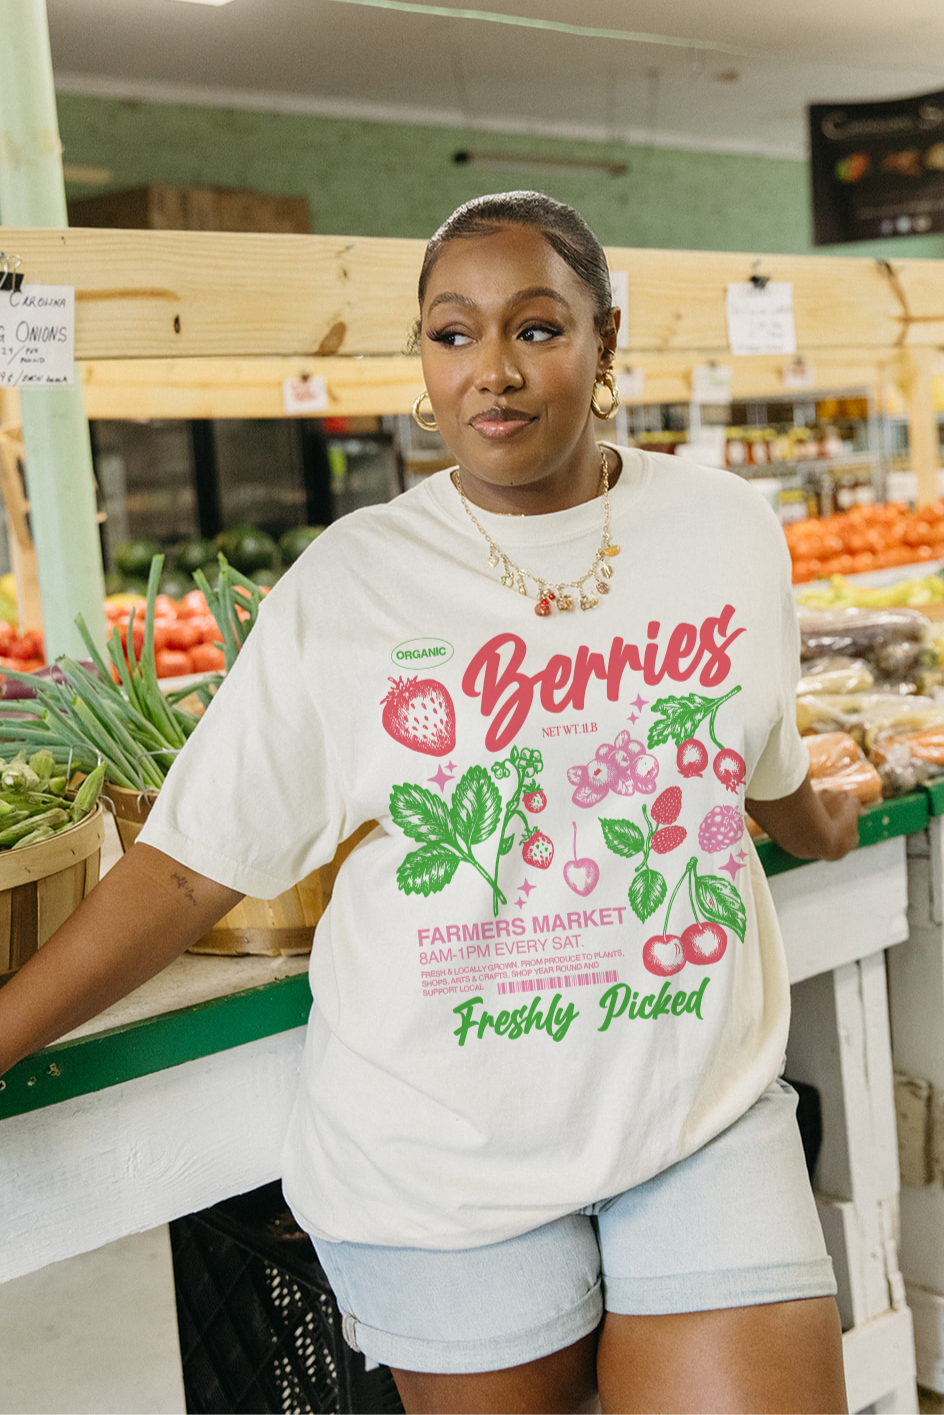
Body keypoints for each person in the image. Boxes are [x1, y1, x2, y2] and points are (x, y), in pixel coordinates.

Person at [0, 191, 861, 1414]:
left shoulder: (723, 528)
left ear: (605, 341)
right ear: (421, 357)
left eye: (536, 329)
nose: (491, 374)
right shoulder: (349, 585)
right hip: (444, 1154)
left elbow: (759, 758)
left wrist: (832, 818)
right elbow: (191, 867)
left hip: (695, 1110)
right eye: (452, 335)